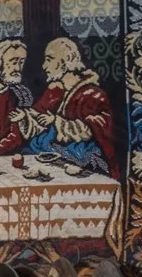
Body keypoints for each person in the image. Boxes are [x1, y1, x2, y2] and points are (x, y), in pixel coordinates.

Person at [17, 36, 120, 176]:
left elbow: (92, 130)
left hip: (86, 161)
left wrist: (55, 121)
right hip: (59, 160)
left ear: (65, 62)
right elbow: (39, 116)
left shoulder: (93, 95)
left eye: (49, 59)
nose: (44, 66)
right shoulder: (56, 91)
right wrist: (25, 116)